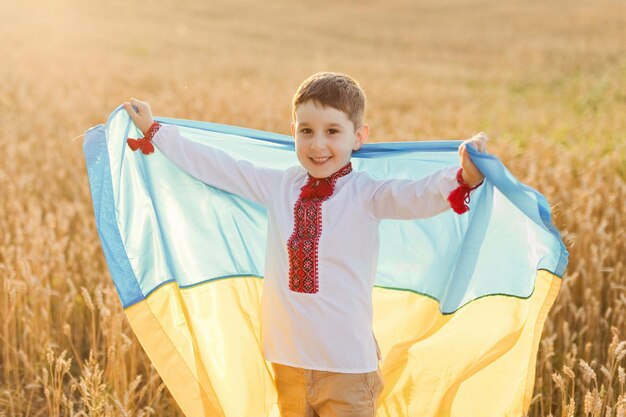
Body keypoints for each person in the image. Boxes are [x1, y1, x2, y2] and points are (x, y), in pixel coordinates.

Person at [122, 71, 487, 417]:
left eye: (332, 131)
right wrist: (156, 132)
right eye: (307, 131)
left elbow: (415, 195)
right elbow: (221, 167)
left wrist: (463, 176)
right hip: (289, 362)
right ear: (293, 131)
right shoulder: (279, 186)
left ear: (358, 136)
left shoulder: (367, 194)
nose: (318, 144)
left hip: (347, 368)